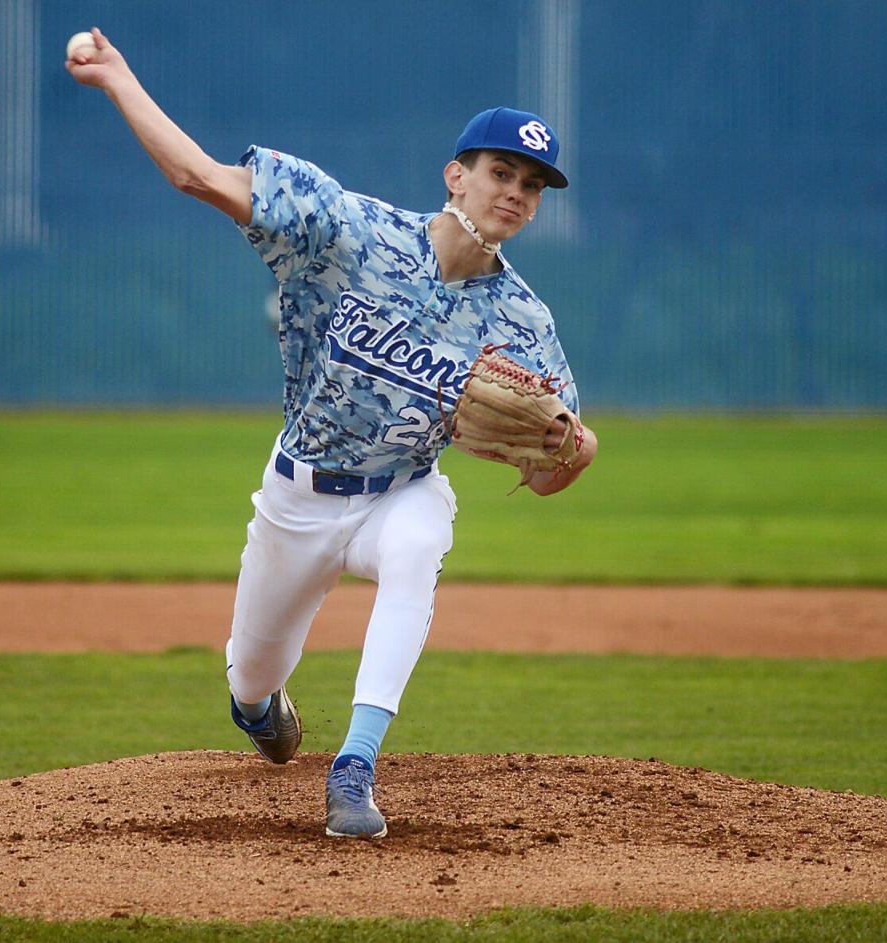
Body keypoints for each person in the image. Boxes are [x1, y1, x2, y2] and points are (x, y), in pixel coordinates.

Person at [67, 27, 597, 839]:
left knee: (421, 544)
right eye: (501, 171)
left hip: (403, 490)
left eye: (533, 184)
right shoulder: (349, 230)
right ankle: (259, 705)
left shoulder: (525, 322)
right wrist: (118, 77)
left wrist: (574, 453)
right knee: (251, 675)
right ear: (456, 174)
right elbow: (196, 175)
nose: (516, 192)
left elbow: (550, 469)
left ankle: (355, 765)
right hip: (299, 495)